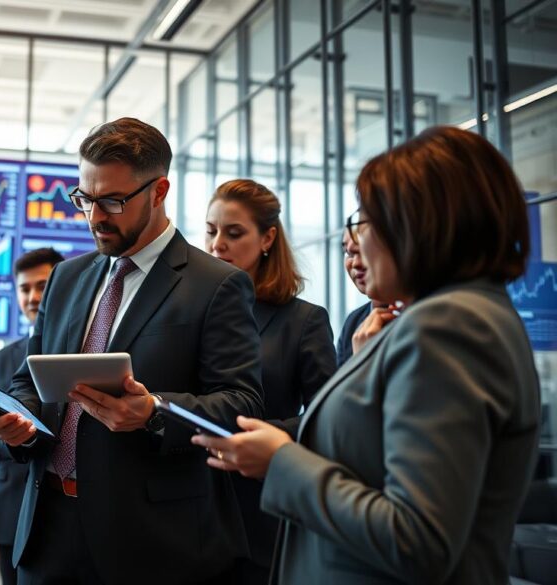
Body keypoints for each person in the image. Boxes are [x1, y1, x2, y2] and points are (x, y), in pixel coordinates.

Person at [194, 126, 541, 585]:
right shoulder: (459, 316)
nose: (356, 244)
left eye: (366, 222)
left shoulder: (448, 326)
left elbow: (416, 540)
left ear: (422, 226)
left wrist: (281, 463)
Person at [0, 117, 264, 584]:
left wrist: (153, 411)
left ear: (159, 191)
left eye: (112, 200)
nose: (95, 216)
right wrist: (18, 422)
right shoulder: (68, 278)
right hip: (48, 528)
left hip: (151, 542)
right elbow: (28, 379)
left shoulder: (216, 285)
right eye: (84, 199)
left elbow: (242, 403)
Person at [204, 179, 337, 584]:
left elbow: (327, 416)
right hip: (190, 508)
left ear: (268, 239)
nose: (217, 245)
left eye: (233, 232)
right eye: (210, 231)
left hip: (259, 511)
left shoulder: (303, 322)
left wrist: (268, 436)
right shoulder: (193, 313)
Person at [0, 247, 64, 585]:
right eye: (25, 289)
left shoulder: (87, 349)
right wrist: (11, 438)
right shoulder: (4, 358)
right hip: (12, 513)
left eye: (42, 286)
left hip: (67, 509)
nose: (33, 297)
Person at [336, 229, 397, 365]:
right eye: (349, 253)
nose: (356, 263)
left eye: (365, 250)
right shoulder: (353, 322)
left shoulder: (417, 318)